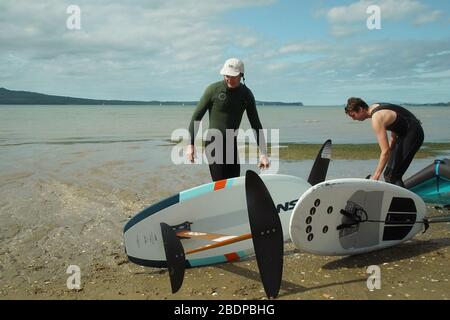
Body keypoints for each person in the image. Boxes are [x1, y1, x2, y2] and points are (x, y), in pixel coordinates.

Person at [186, 58, 270, 181]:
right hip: (214, 143)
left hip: (231, 144)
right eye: (226, 75)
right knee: (220, 186)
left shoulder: (246, 95)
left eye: (232, 76)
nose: (228, 78)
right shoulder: (213, 90)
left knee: (233, 185)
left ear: (241, 75)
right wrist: (190, 144)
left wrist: (263, 153)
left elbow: (256, 124)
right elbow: (196, 117)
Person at [344, 97, 424, 187]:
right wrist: (393, 140)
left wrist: (376, 176)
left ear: (360, 109)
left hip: (413, 134)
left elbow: (385, 152)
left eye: (353, 115)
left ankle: (405, 201)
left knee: (393, 176)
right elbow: (397, 118)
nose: (353, 119)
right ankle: (396, 199)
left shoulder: (376, 118)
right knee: (388, 173)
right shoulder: (375, 107)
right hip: (406, 133)